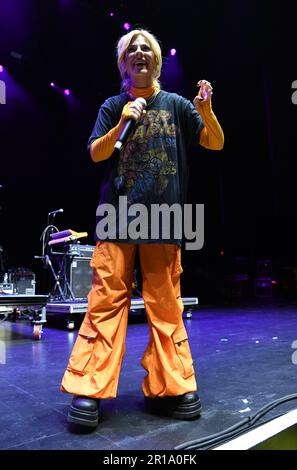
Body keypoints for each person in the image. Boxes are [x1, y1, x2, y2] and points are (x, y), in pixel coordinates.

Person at [61, 28, 224, 427]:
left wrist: (205, 109)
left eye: (146, 48)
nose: (139, 52)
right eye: (131, 49)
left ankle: (172, 385)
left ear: (156, 61)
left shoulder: (178, 105)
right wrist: (121, 123)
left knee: (166, 305)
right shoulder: (112, 105)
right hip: (116, 218)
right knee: (104, 304)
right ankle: (89, 388)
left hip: (165, 219)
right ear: (123, 63)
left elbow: (215, 143)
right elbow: (96, 153)